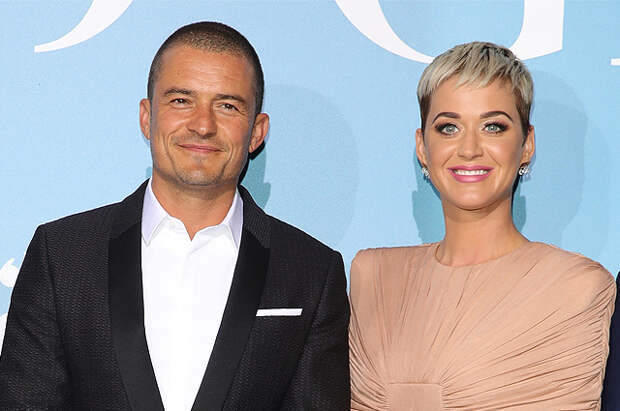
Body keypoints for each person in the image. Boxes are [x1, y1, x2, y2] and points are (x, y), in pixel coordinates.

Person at [0, 22, 349, 410]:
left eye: (227, 106)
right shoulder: (62, 256)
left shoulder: (311, 272)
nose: (203, 125)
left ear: (256, 132)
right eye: (181, 100)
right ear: (147, 117)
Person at [349, 42, 615, 410]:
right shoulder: (372, 277)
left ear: (526, 144)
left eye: (493, 127)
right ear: (422, 147)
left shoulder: (575, 288)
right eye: (448, 127)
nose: (469, 148)